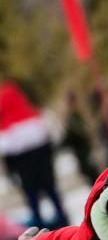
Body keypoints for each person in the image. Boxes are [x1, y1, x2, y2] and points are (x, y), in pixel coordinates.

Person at [0, 79, 69, 229]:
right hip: (42, 161)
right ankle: (62, 217)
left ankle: (38, 222)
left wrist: (11, 171)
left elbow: (8, 156)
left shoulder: (8, 130)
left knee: (31, 195)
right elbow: (48, 145)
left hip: (24, 167)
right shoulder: (34, 119)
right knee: (51, 190)